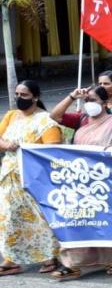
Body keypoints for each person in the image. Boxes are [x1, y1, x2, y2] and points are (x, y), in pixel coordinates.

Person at [47, 85, 112, 280]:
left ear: (104, 103)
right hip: (79, 180)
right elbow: (54, 116)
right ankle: (72, 264)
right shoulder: (81, 120)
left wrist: (110, 153)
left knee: (103, 221)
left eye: (93, 100)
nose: (89, 104)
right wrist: (72, 96)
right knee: (77, 219)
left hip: (105, 180)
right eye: (87, 100)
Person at [0, 81, 63, 276]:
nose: (19, 98)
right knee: (10, 218)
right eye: (17, 94)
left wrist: (26, 148)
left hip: (34, 177)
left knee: (39, 218)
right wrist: (7, 145)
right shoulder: (11, 116)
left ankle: (49, 257)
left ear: (35, 97)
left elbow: (52, 151)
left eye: (24, 95)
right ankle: (11, 259)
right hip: (10, 177)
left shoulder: (45, 121)